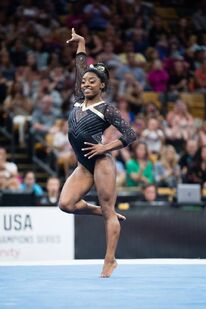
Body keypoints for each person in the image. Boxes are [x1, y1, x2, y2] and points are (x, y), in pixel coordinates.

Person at [59, 29, 136, 278]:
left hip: (101, 162)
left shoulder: (107, 109)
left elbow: (130, 134)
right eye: (84, 82)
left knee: (108, 209)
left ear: (102, 85)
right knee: (65, 204)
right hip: (83, 166)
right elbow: (80, 66)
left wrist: (105, 147)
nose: (86, 84)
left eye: (92, 81)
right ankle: (102, 211)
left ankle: (110, 259)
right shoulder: (78, 99)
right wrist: (81, 43)